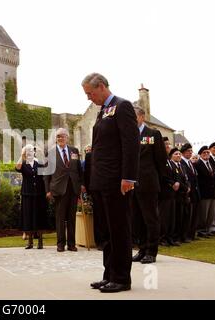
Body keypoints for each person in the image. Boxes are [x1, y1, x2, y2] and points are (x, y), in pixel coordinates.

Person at [82, 73, 139, 293]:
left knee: (119, 230)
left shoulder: (122, 106)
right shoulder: (103, 111)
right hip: (101, 182)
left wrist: (128, 177)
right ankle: (109, 274)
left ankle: (122, 278)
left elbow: (131, 144)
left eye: (90, 93)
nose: (89, 98)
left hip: (117, 181)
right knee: (106, 232)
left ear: (102, 87)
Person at [131, 107, 166, 264]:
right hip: (132, 184)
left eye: (134, 116)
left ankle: (152, 251)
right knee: (137, 219)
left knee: (150, 218)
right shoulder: (128, 134)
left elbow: (160, 159)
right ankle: (142, 249)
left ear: (142, 117)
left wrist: (158, 180)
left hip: (148, 183)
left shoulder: (152, 134)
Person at [44, 128, 83, 253]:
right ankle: (60, 244)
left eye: (63, 136)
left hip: (73, 188)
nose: (60, 138)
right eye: (58, 136)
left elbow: (79, 170)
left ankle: (71, 244)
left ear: (67, 137)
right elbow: (46, 174)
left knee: (72, 217)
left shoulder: (74, 151)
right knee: (60, 218)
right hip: (59, 189)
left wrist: (81, 184)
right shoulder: (50, 153)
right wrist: (47, 190)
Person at [15, 144, 48, 249]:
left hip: (39, 194)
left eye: (31, 151)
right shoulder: (24, 164)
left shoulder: (39, 163)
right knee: (28, 217)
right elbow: (17, 167)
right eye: (27, 151)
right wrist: (22, 154)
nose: (30, 152)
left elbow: (46, 172)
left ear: (34, 152)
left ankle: (40, 242)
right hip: (27, 194)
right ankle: (29, 242)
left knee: (39, 216)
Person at [195, 146, 215, 238]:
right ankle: (201, 230)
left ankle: (207, 229)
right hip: (204, 193)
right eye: (204, 153)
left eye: (208, 152)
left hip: (212, 193)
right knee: (203, 213)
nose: (206, 154)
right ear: (200, 154)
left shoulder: (211, 163)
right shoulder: (198, 164)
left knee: (210, 214)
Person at [180, 143, 201, 241]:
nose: (190, 153)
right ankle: (186, 235)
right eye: (189, 151)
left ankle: (192, 234)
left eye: (191, 151)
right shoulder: (182, 163)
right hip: (188, 193)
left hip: (195, 193)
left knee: (194, 215)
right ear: (183, 152)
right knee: (188, 216)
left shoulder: (190, 163)